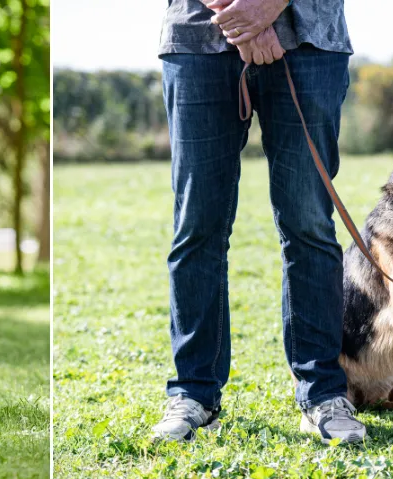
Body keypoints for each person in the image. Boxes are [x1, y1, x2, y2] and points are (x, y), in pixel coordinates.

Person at [151, 0, 366, 443]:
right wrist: (246, 22)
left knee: (309, 225)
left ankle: (322, 393)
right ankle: (194, 392)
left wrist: (268, 5)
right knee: (197, 227)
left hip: (311, 39)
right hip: (198, 39)